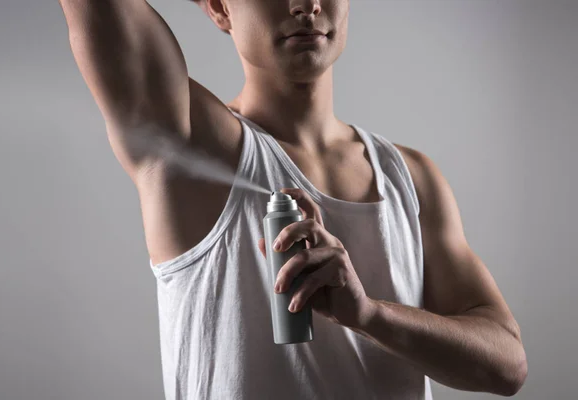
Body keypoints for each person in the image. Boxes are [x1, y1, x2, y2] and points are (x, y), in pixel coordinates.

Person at [57, 0, 527, 399]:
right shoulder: (191, 144)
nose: (307, 5)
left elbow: (506, 365)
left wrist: (368, 315)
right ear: (221, 8)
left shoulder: (412, 177)